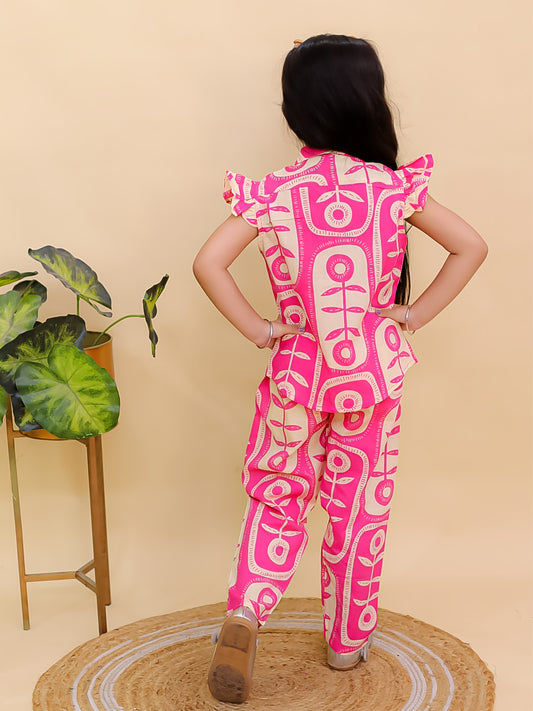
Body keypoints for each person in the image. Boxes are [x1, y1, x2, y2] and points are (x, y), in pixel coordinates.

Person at [193, 34, 488, 704]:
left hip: (297, 372)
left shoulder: (274, 193)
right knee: (358, 508)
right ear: (367, 102)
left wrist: (262, 330)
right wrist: (409, 315)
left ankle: (246, 613)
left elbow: (208, 263)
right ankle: (346, 641)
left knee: (277, 496)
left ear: (296, 110)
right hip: (370, 377)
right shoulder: (391, 189)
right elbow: (470, 246)